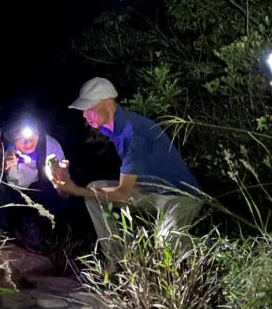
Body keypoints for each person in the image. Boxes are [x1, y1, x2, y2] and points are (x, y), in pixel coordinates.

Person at [50, 77, 203, 262]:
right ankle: (117, 261)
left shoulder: (132, 132)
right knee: (94, 192)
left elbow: (122, 194)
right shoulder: (113, 129)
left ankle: (222, 253)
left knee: (165, 243)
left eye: (89, 109)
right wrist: (71, 184)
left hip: (181, 195)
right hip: (150, 192)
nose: (84, 115)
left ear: (108, 103)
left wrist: (74, 189)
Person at [0, 115, 68, 250]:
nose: (28, 141)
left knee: (53, 191)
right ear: (10, 136)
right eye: (20, 137)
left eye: (33, 134)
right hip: (1, 198)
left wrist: (61, 182)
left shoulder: (51, 146)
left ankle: (46, 238)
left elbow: (64, 193)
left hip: (33, 196)